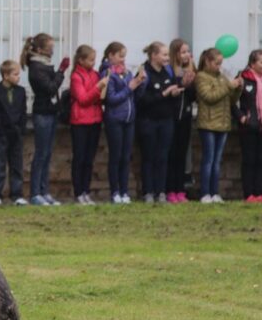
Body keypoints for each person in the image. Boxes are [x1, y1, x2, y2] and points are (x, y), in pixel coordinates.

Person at [21, 33, 69, 205]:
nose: (52, 51)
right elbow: (50, 88)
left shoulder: (45, 65)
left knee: (48, 154)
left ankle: (44, 191)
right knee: (40, 154)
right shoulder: (36, 67)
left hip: (51, 112)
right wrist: (62, 71)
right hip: (42, 113)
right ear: (40, 49)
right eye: (50, 48)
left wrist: (58, 72)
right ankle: (35, 193)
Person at [195, 48, 242, 203]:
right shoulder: (201, 77)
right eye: (217, 63)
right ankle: (205, 193)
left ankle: (215, 192)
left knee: (217, 161)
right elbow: (210, 97)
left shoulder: (222, 77)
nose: (219, 67)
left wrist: (238, 88)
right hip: (208, 124)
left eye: (221, 64)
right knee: (208, 160)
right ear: (207, 61)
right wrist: (229, 86)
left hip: (223, 123)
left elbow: (230, 100)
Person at [136, 41, 181, 203]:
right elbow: (141, 100)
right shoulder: (144, 72)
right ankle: (148, 191)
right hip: (148, 121)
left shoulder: (168, 72)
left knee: (163, 156)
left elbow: (173, 92)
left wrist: (175, 94)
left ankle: (161, 191)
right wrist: (163, 94)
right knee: (149, 156)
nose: (167, 58)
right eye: (163, 54)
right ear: (153, 55)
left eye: (167, 54)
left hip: (166, 120)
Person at [103, 42, 145, 204]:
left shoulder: (127, 73)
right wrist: (130, 87)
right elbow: (111, 98)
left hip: (129, 119)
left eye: (124, 56)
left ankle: (124, 190)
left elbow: (135, 95)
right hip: (115, 119)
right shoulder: (108, 74)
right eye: (120, 56)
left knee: (126, 157)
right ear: (111, 56)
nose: (123, 59)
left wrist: (141, 81)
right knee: (116, 156)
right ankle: (115, 191)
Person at [235, 50, 262, 203]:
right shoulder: (242, 79)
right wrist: (241, 117)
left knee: (261, 160)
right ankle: (248, 193)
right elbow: (232, 100)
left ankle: (259, 192)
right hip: (248, 126)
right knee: (249, 160)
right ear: (252, 63)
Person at [69, 44, 107, 205]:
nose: (93, 63)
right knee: (80, 158)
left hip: (95, 119)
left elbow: (97, 97)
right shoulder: (76, 76)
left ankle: (86, 190)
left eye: (94, 60)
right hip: (80, 121)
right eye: (90, 60)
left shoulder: (95, 74)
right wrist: (98, 88)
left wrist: (102, 91)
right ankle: (78, 192)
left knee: (90, 158)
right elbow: (83, 99)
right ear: (81, 60)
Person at [0, 59, 27, 206]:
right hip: (1, 133)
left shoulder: (21, 91)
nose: (18, 77)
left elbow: (23, 112)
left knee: (16, 164)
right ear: (5, 75)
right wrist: (0, 129)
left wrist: (21, 129)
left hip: (16, 134)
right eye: (15, 74)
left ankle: (17, 194)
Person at [166, 38, 196, 203]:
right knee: (172, 155)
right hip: (171, 118)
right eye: (183, 52)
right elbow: (169, 92)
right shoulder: (169, 70)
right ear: (176, 53)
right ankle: (170, 189)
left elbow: (192, 97)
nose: (186, 55)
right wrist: (180, 83)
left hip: (185, 117)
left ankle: (180, 189)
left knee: (182, 155)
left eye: (188, 52)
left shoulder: (191, 70)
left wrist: (190, 85)